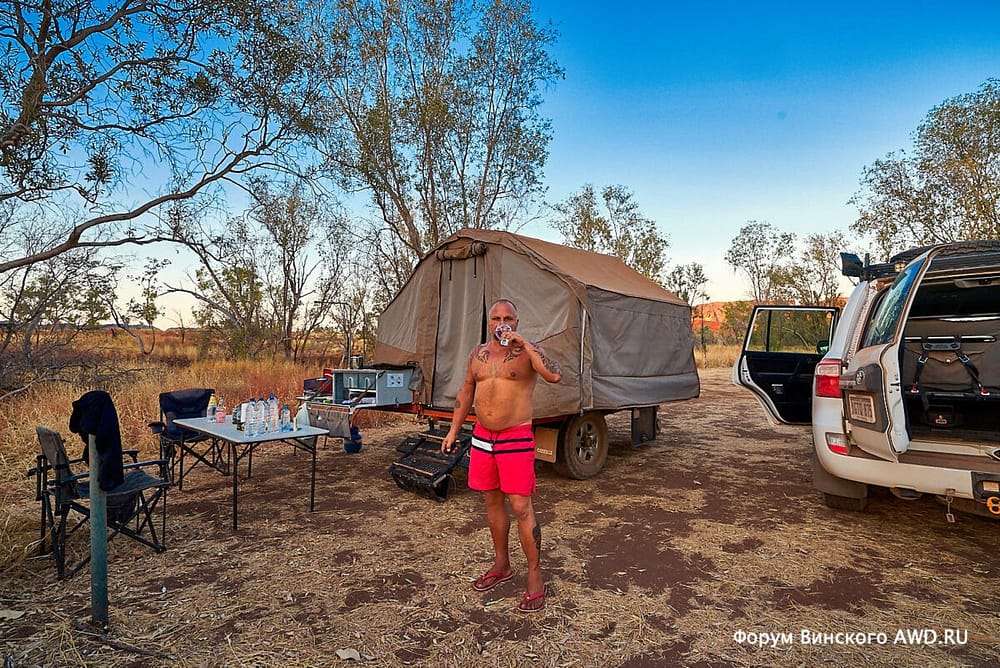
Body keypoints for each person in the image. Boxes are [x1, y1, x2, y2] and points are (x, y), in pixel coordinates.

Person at [441, 298, 562, 613]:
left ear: (517, 322)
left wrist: (525, 343)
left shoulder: (526, 353)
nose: (502, 323)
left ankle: (535, 576)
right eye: (496, 318)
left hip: (516, 438)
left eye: (508, 318)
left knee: (521, 507)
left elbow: (554, 375)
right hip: (482, 438)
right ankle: (501, 566)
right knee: (492, 502)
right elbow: (466, 390)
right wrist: (454, 430)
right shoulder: (477, 354)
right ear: (489, 322)